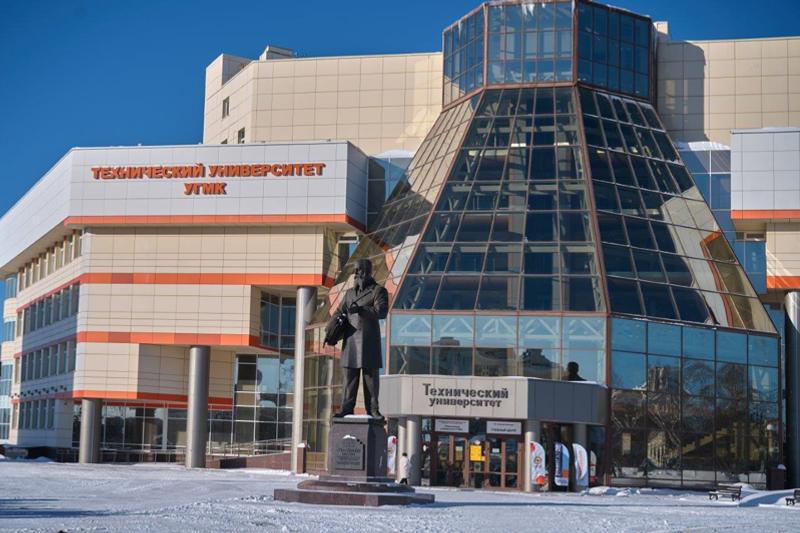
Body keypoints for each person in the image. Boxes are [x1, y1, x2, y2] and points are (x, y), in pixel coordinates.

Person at [329, 259, 388, 419]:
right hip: (351, 340)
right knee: (349, 379)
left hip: (369, 341)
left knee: (370, 379)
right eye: (355, 270)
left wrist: (361, 309)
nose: (356, 273)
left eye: (359, 270)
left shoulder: (378, 291)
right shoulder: (349, 293)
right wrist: (331, 330)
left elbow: (382, 312)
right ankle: (346, 408)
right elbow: (339, 312)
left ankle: (373, 409)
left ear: (368, 271)